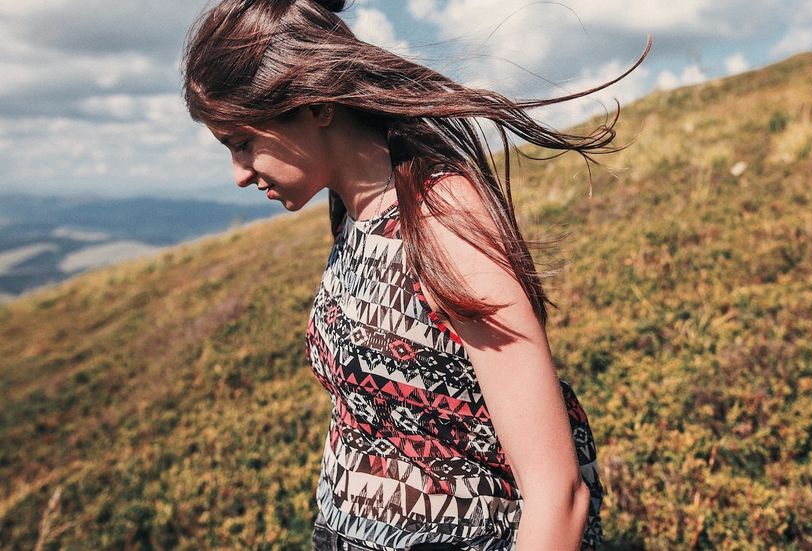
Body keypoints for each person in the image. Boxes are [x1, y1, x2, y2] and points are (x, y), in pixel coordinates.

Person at [182, 1, 649, 549]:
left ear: (315, 106)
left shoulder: (441, 215)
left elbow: (558, 494)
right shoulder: (357, 214)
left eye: (242, 143)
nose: (239, 174)